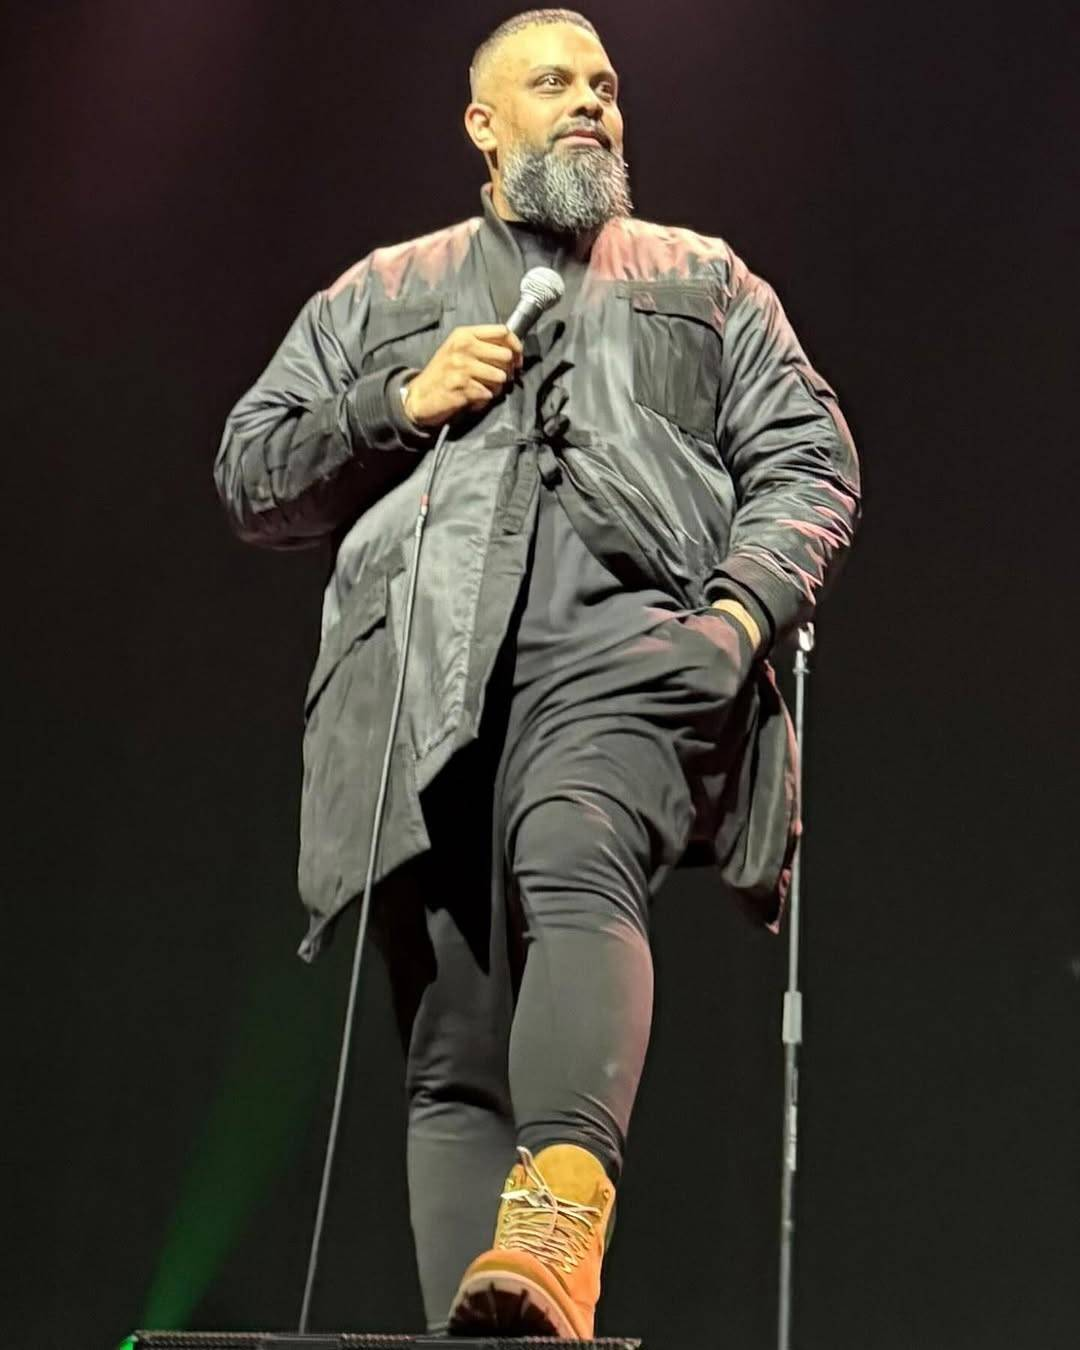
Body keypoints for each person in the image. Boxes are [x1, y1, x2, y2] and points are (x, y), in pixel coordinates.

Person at [214, 8, 860, 1339]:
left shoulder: (703, 278)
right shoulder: (388, 290)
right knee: (450, 1045)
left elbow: (811, 460)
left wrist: (735, 619)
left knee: (574, 852)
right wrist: (393, 405)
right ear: (483, 124)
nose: (590, 102)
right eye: (553, 82)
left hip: (629, 656)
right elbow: (250, 471)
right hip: (422, 677)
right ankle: (492, 1321)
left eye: (607, 85)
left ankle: (559, 1223)